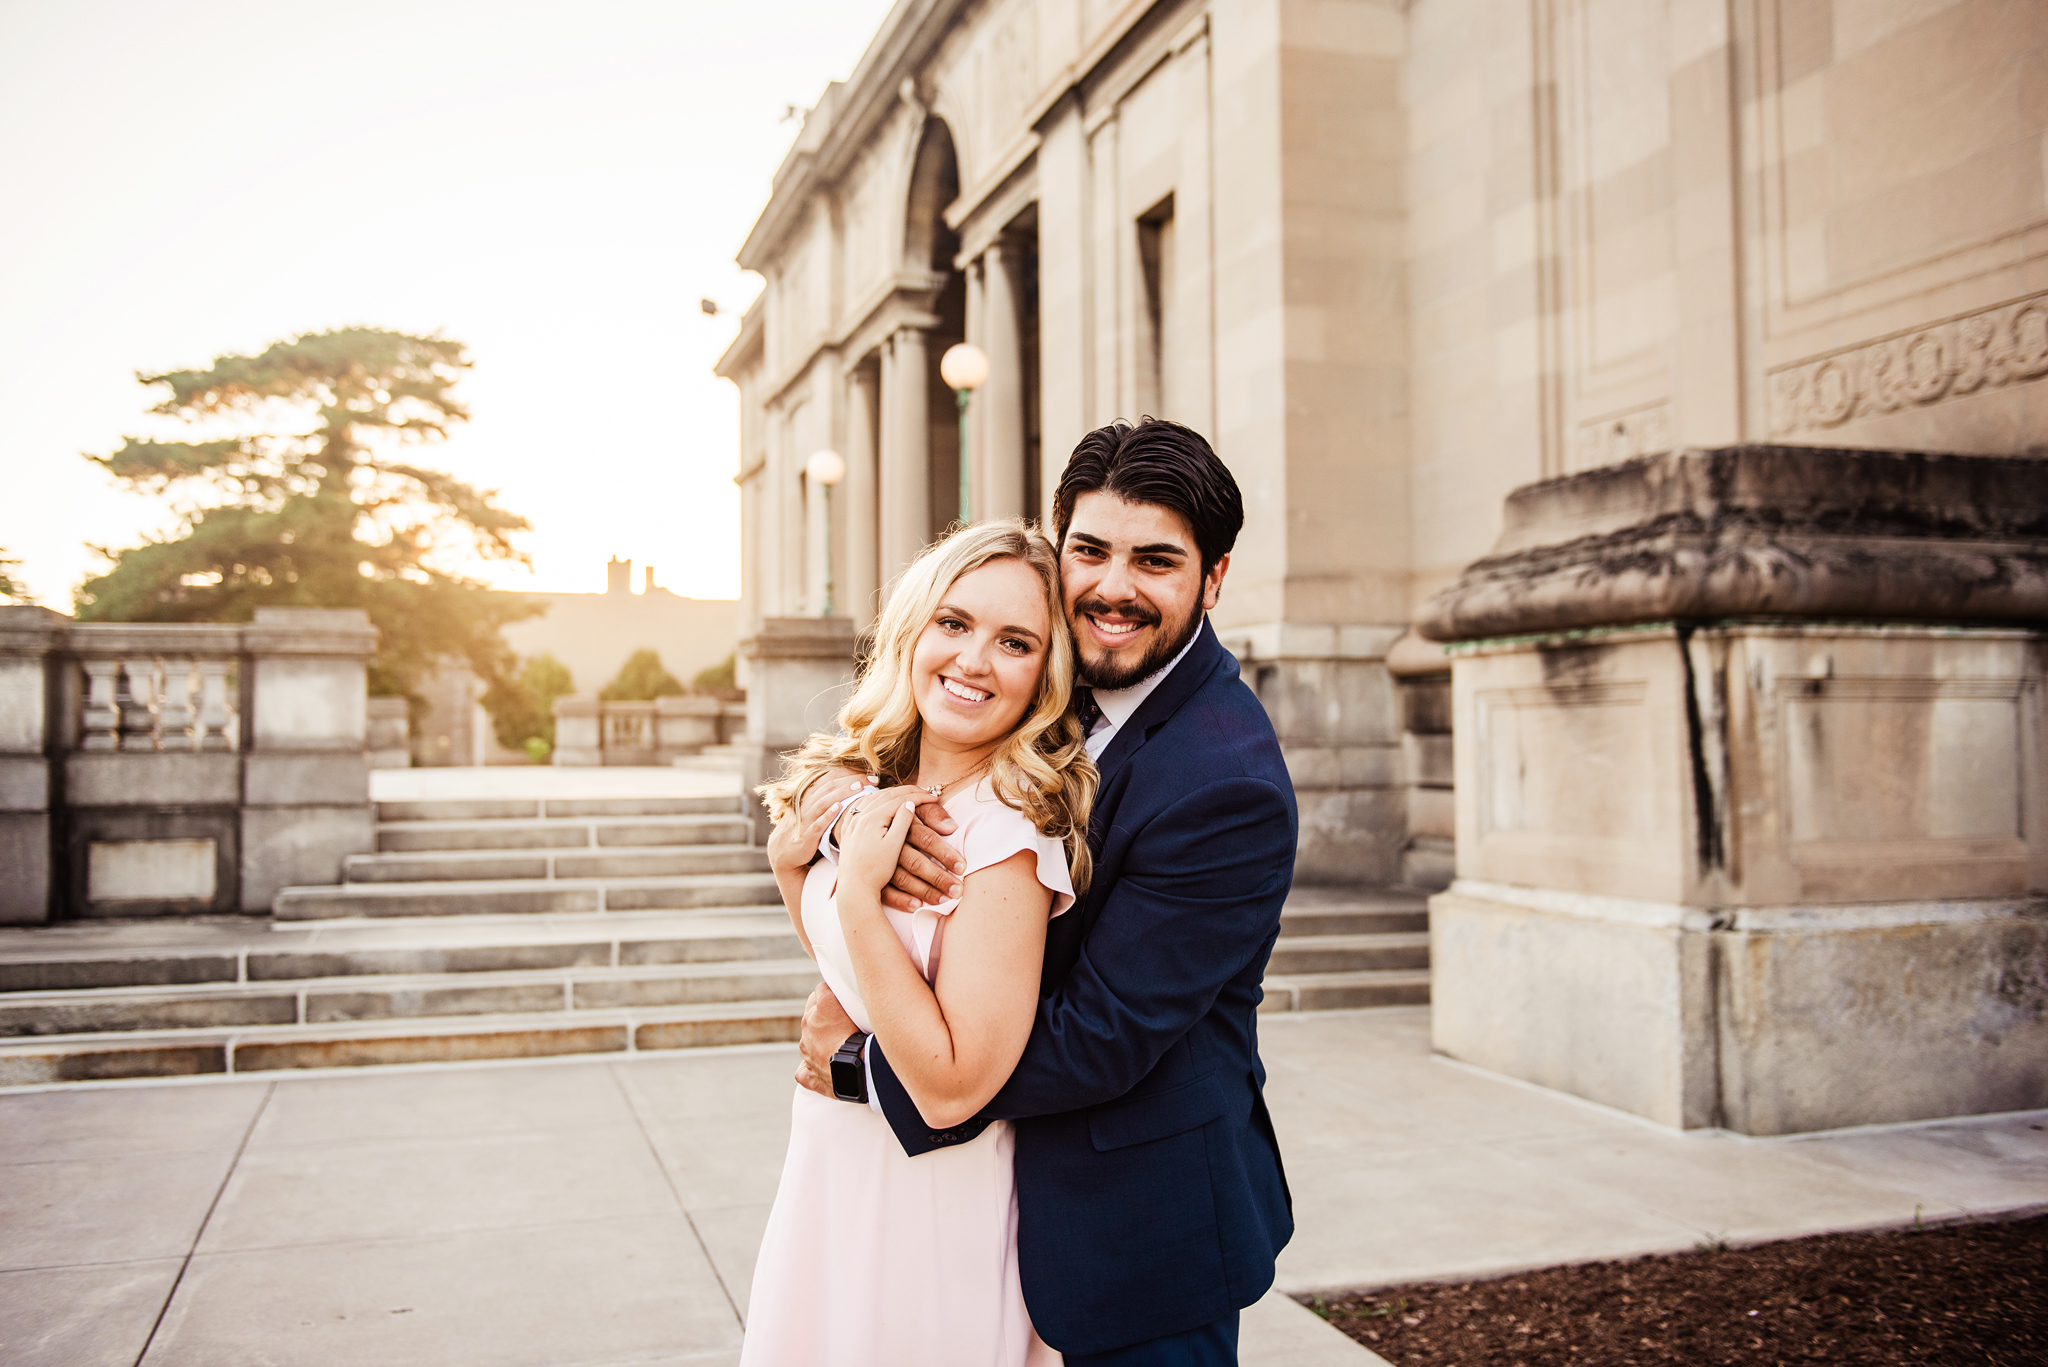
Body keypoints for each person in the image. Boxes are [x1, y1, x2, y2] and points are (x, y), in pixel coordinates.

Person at [795, 419, 1298, 1366]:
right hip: (979, 1207)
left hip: (1138, 1230)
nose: (1113, 588)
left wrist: (868, 1067)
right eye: (1091, 551)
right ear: (1056, 541)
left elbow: (1101, 1036)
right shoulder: (1043, 675)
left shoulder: (1227, 777)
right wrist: (837, 814)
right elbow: (899, 744)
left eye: (1156, 561)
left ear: (1214, 579)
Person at [742, 518, 1095, 1367]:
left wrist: (859, 891)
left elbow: (950, 1087)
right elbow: (846, 970)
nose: (974, 659)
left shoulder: (1007, 839)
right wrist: (794, 863)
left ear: (1043, 677)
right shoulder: (874, 786)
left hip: (929, 1202)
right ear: (912, 627)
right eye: (954, 622)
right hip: (832, 1172)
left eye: (1015, 641)